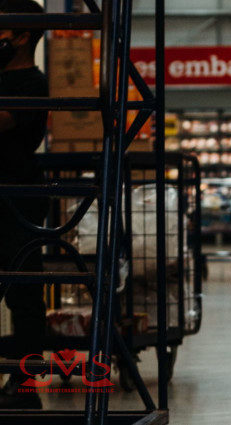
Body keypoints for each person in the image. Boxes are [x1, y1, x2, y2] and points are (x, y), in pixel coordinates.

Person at [0, 0, 49, 410]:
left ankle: (26, 384)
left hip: (20, 197)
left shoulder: (33, 82)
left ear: (21, 36)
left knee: (25, 293)